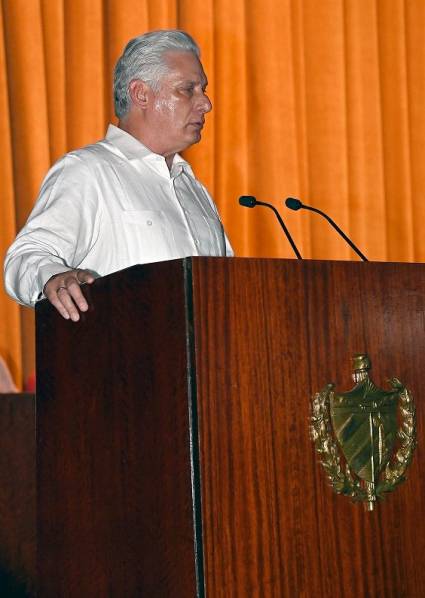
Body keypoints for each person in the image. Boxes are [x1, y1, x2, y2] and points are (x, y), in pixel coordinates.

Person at [4, 30, 232, 322]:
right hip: (121, 360)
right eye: (188, 89)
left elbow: (227, 286)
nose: (206, 104)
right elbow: (25, 256)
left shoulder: (192, 188)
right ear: (141, 94)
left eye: (203, 89)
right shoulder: (88, 171)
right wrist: (54, 277)